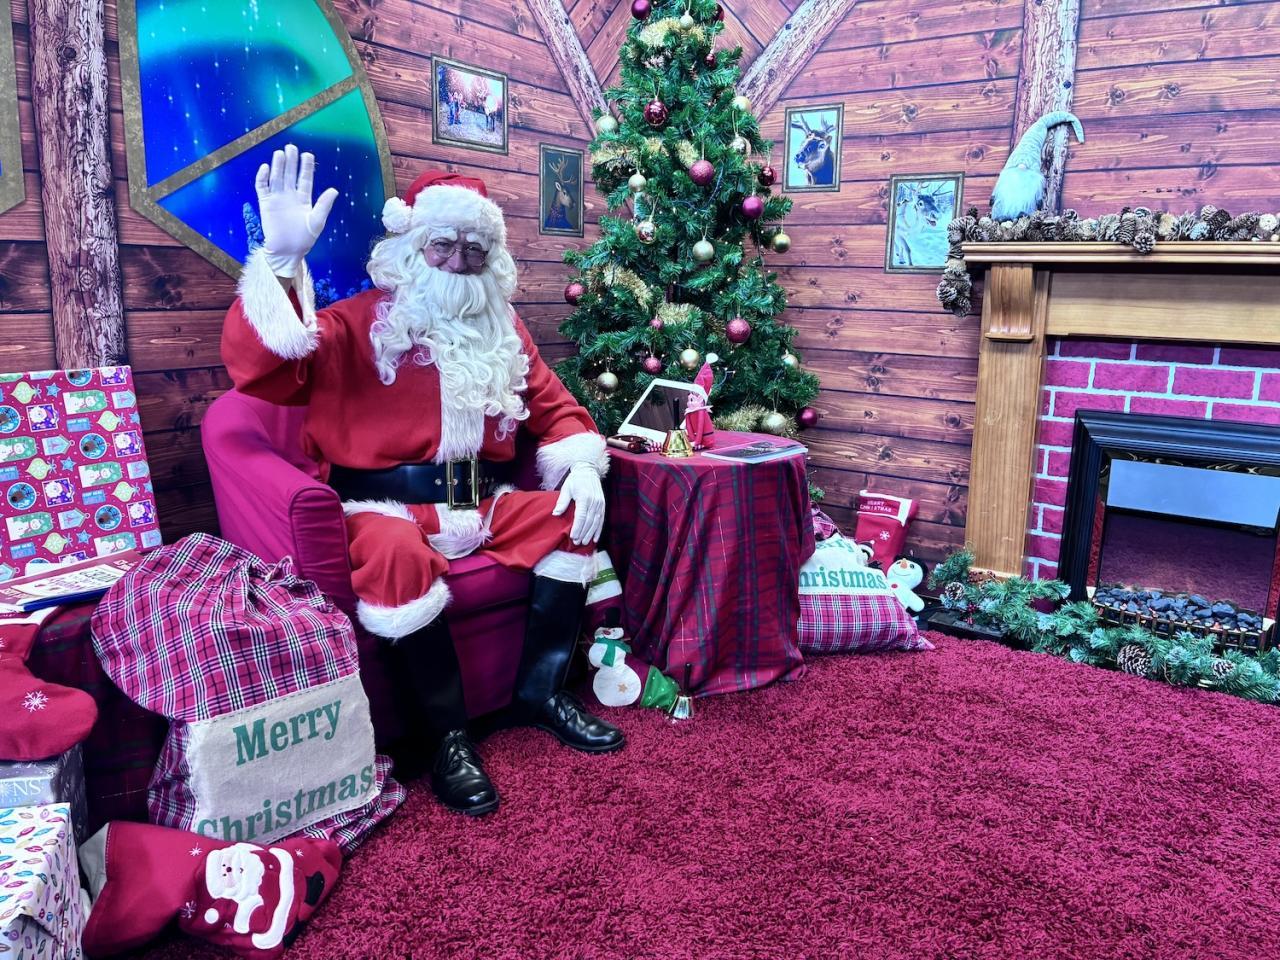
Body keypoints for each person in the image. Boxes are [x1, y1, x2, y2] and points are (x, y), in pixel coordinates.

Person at [221, 144, 624, 817]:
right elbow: (262, 371)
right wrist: (282, 265)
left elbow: (556, 409)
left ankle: (542, 690)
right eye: (444, 246)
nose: (460, 262)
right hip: (384, 509)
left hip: (481, 502)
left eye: (475, 249)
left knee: (569, 515)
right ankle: (448, 740)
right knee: (396, 554)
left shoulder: (504, 329)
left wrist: (582, 464)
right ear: (411, 246)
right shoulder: (356, 324)